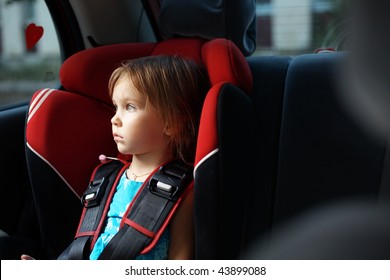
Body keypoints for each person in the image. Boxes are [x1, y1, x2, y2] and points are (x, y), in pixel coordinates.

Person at [22, 55, 209, 260]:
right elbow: (90, 246)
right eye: (116, 106)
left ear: (171, 122)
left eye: (130, 107)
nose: (114, 119)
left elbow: (180, 260)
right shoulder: (107, 177)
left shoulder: (181, 190)